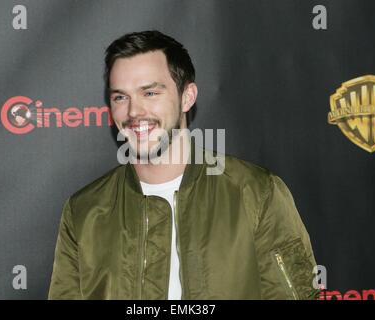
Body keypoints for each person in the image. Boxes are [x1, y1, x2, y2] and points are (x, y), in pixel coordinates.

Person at [48, 30, 319, 300]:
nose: (133, 112)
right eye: (120, 97)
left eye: (150, 93)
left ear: (187, 97)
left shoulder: (257, 193)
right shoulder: (83, 210)